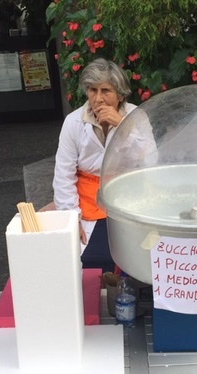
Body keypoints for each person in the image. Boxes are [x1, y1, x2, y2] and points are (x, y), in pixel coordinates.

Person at [52, 58, 136, 270]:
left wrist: (122, 125)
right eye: (92, 90)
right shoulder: (73, 122)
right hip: (87, 200)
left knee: (132, 257)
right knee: (89, 259)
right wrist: (72, 219)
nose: (98, 99)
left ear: (120, 94)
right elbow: (63, 175)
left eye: (105, 91)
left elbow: (149, 159)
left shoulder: (136, 116)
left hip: (128, 196)